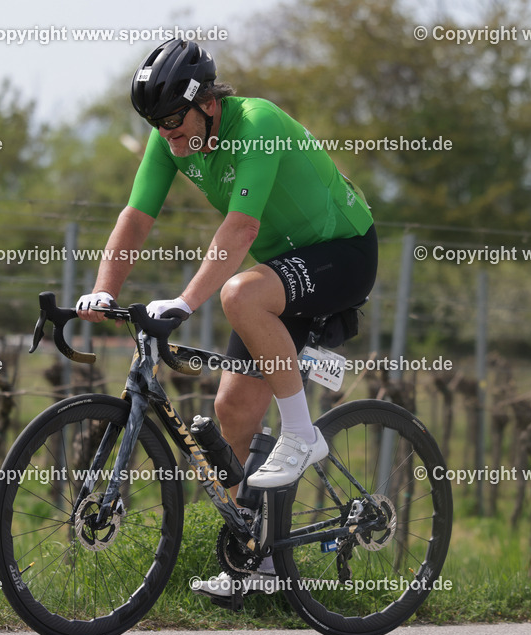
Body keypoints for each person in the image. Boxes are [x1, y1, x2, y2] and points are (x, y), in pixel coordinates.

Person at [75, 39, 377, 599]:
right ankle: (255, 563)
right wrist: (101, 293)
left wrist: (186, 303)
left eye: (173, 120)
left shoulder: (256, 122)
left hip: (345, 252)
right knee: (231, 410)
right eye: (155, 124)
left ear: (207, 103)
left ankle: (303, 435)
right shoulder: (172, 140)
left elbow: (241, 230)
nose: (168, 135)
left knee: (239, 294)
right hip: (287, 267)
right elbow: (136, 219)